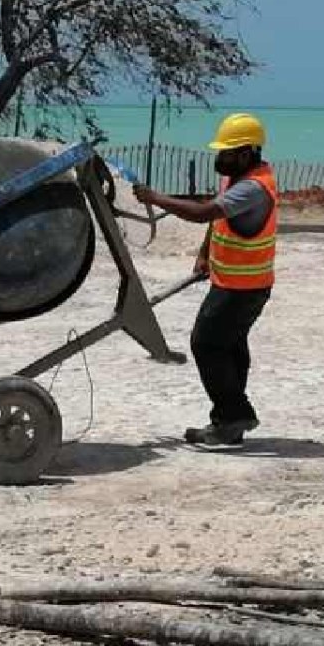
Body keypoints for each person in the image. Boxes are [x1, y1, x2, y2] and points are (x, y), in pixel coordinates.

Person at [133, 113, 277, 447]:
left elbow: (204, 214)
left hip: (244, 288)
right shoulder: (237, 178)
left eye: (225, 152)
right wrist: (204, 254)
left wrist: (155, 198)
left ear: (245, 153)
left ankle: (233, 415)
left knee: (206, 344)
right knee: (230, 348)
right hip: (233, 282)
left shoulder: (254, 188)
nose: (219, 158)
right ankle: (230, 424)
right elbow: (219, 221)